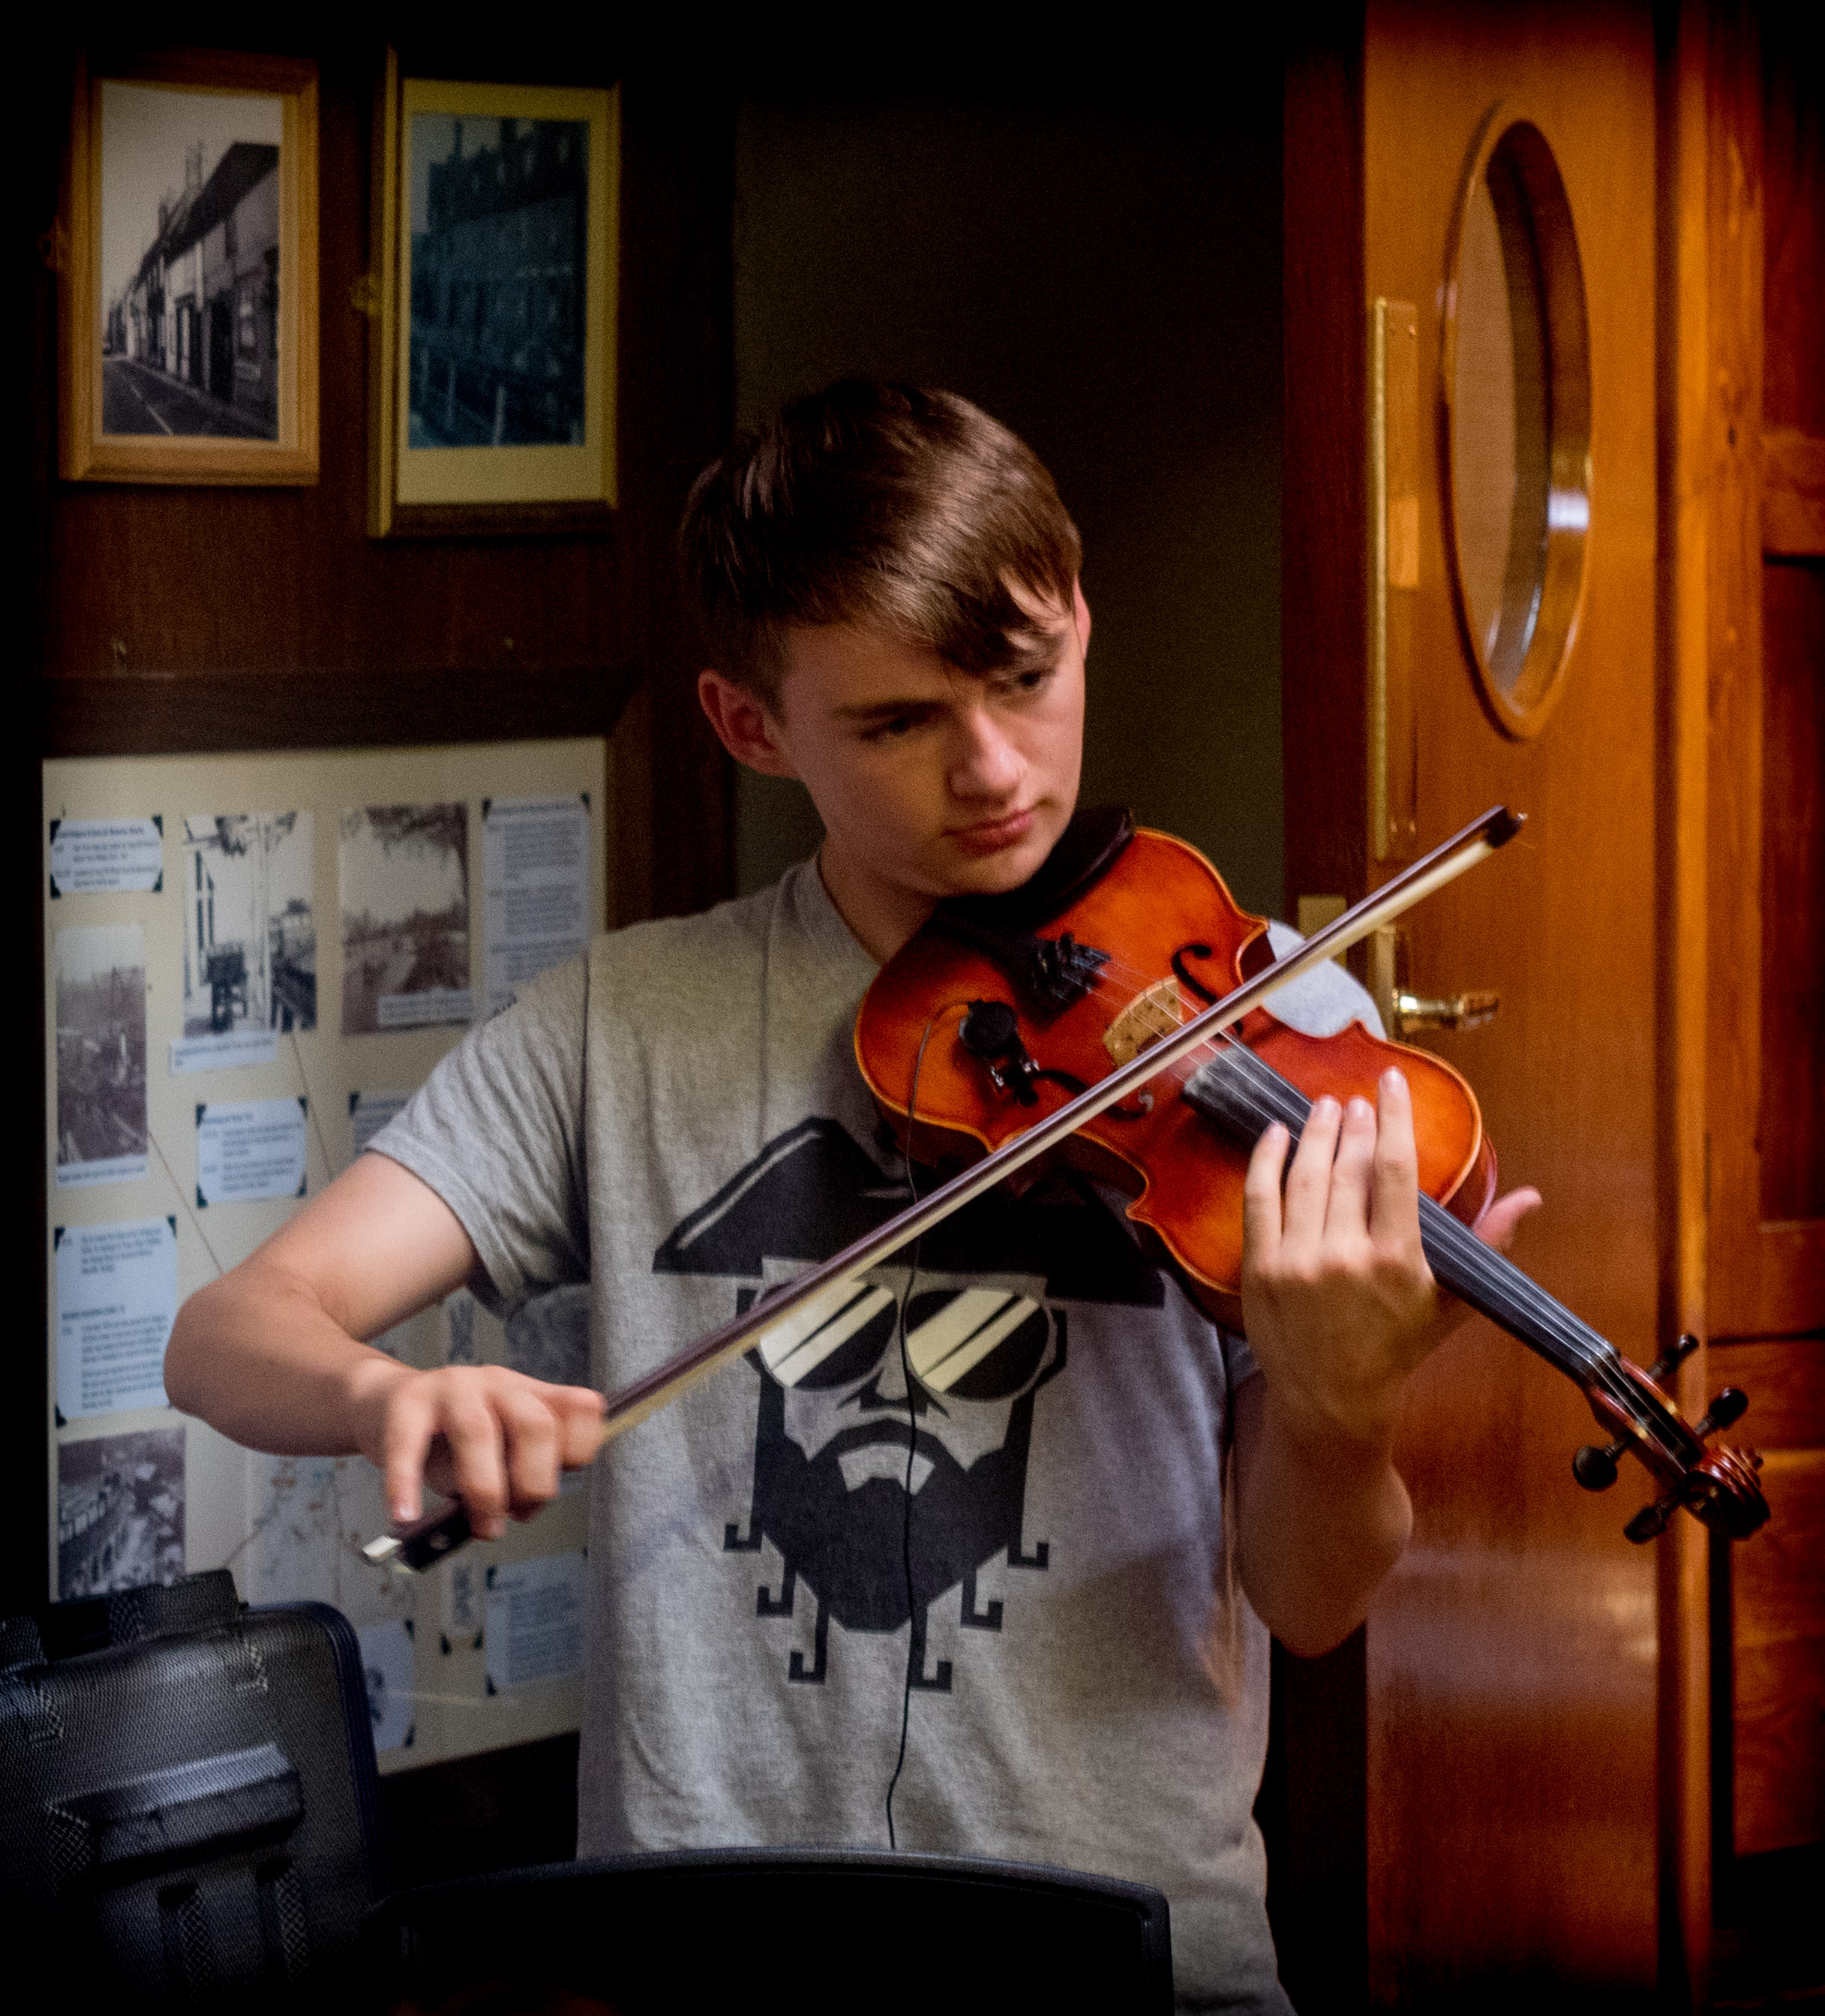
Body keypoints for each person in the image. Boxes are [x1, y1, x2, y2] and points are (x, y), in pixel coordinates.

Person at [166, 380, 1536, 2012]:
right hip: (704, 1966)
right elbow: (229, 1335)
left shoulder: (1276, 1032)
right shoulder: (621, 1027)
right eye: (897, 723)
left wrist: (1336, 1405)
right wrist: (388, 1394)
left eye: (1026, 679)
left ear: (1079, 619)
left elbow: (1310, 1607)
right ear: (751, 726)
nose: (993, 767)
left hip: (1131, 1964)